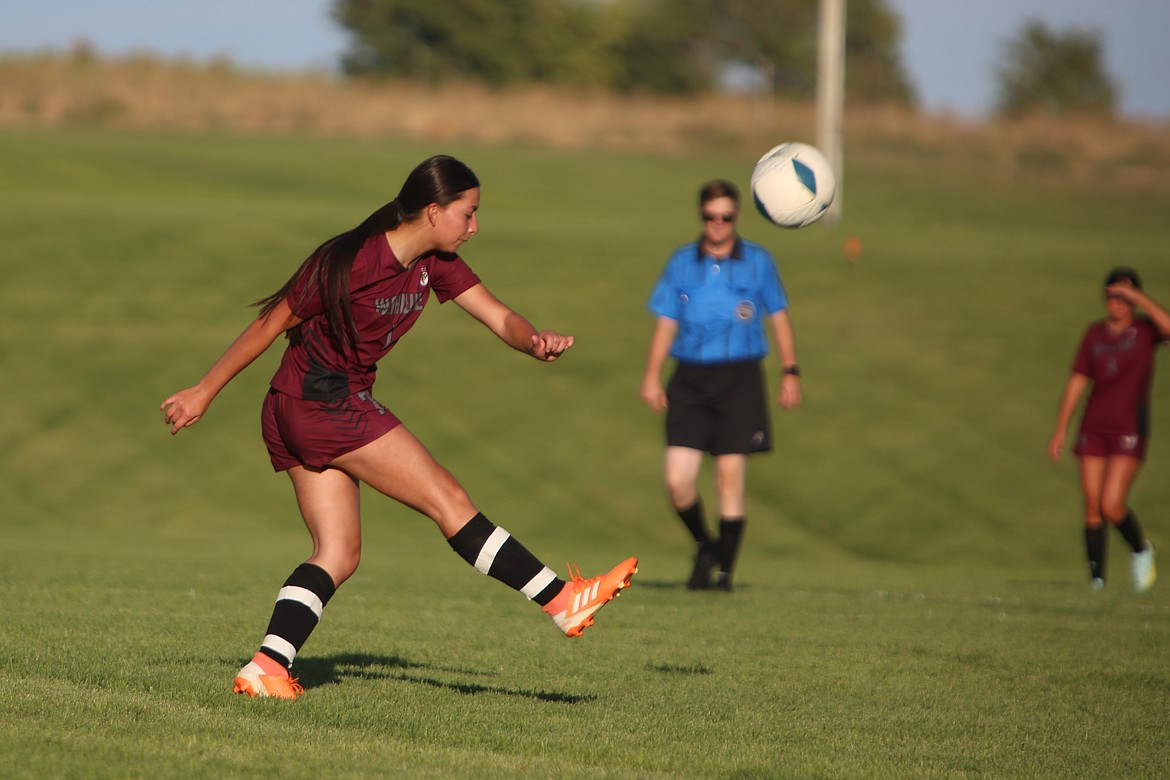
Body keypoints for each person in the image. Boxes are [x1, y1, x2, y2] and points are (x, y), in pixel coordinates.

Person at [161, 155, 637, 700]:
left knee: (337, 554)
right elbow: (269, 324)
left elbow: (498, 315)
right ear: (434, 211)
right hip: (324, 404)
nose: (475, 226)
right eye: (469, 213)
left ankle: (267, 666)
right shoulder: (351, 260)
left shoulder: (437, 262)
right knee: (447, 498)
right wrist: (204, 389)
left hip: (297, 406)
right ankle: (561, 601)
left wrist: (533, 341)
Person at [640, 179, 801, 591]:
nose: (718, 223)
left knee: (729, 479)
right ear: (701, 217)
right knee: (678, 479)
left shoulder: (758, 262)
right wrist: (651, 375)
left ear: (737, 218)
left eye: (726, 216)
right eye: (711, 216)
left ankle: (724, 575)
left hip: (739, 377)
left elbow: (778, 314)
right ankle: (706, 545)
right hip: (690, 377)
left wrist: (790, 370)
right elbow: (666, 321)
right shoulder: (681, 263)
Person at [1048, 267, 1170, 592]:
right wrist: (1061, 429)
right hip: (1094, 427)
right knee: (1091, 504)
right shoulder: (1095, 334)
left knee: (1111, 504)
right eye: (1112, 297)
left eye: (1124, 298)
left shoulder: (1146, 331)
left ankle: (1141, 550)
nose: (1117, 304)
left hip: (1129, 428)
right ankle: (1097, 581)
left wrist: (1139, 298)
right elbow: (1078, 380)